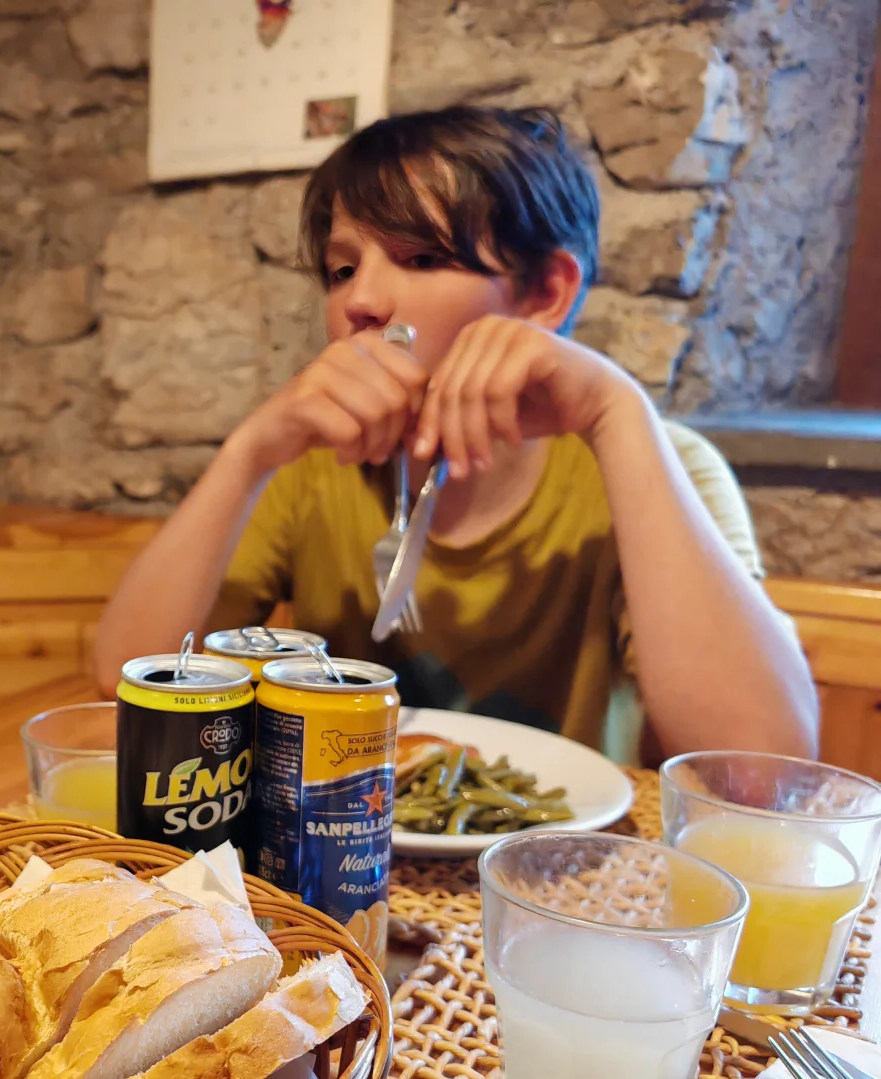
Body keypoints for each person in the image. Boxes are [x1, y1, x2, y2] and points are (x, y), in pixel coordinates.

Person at [93, 106, 816, 764]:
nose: (362, 302)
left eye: (420, 258)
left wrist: (615, 410)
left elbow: (759, 764)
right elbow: (121, 676)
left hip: (555, 875)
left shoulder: (649, 465)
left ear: (544, 294)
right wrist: (248, 450)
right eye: (341, 269)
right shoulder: (313, 470)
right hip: (327, 860)